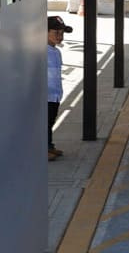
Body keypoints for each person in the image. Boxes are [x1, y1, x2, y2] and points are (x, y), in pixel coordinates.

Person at [47, 15, 72, 160]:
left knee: (50, 121)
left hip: (55, 95)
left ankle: (49, 145)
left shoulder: (56, 52)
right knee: (44, 123)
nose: (60, 36)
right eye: (56, 33)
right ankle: (44, 148)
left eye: (62, 33)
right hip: (45, 96)